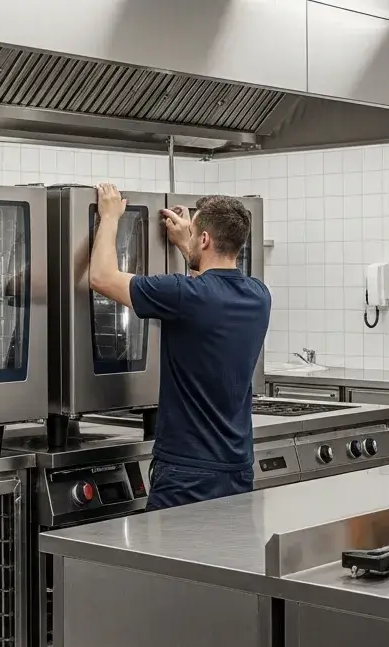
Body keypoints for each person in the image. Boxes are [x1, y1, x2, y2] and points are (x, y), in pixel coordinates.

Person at [88, 183, 271, 511]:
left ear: (204, 239)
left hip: (187, 473)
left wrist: (110, 217)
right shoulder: (258, 295)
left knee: (167, 561)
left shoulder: (184, 294)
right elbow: (211, 281)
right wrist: (189, 247)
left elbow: (101, 277)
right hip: (237, 468)